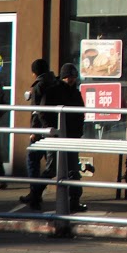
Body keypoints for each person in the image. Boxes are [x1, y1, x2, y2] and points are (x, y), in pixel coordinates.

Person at [19, 58, 62, 210]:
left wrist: (35, 130)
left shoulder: (39, 86)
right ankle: (35, 194)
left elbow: (37, 111)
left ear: (34, 72)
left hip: (43, 130)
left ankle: (34, 194)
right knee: (51, 165)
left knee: (33, 160)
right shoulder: (56, 82)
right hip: (55, 128)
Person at [57, 63, 87, 212]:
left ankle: (73, 201)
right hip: (60, 135)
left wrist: (79, 131)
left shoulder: (75, 93)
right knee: (55, 169)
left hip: (72, 135)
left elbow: (80, 113)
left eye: (73, 77)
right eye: (69, 77)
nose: (71, 80)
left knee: (72, 169)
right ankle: (35, 194)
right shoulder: (56, 91)